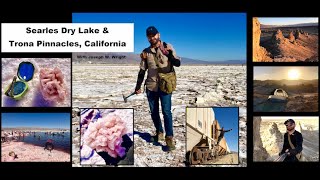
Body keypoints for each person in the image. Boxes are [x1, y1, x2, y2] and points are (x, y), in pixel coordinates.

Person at [134, 26, 181, 151]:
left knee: (166, 112)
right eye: (149, 36)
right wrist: (137, 87)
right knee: (154, 112)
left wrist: (169, 55)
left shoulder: (167, 46)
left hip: (165, 85)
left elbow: (178, 64)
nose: (152, 38)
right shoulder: (145, 52)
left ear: (158, 35)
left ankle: (169, 138)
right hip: (151, 86)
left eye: (154, 35)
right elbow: (142, 70)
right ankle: (159, 132)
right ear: (147, 37)